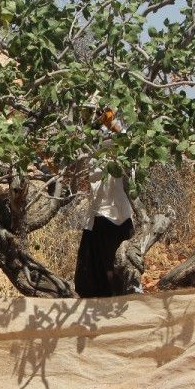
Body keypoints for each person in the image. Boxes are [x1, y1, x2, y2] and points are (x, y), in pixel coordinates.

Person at [74, 109, 136, 298]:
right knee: (89, 277)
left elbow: (127, 139)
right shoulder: (94, 147)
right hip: (98, 215)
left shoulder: (122, 146)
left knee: (112, 273)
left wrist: (112, 123)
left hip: (116, 216)